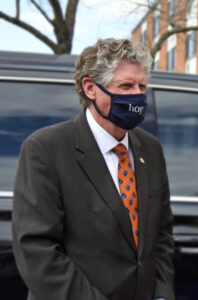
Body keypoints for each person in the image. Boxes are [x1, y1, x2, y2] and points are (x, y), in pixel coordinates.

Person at [12, 38, 175, 300]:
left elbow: (162, 236)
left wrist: (162, 294)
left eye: (141, 86)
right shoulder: (45, 149)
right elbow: (37, 250)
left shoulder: (150, 149)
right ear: (90, 88)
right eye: (126, 86)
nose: (137, 95)